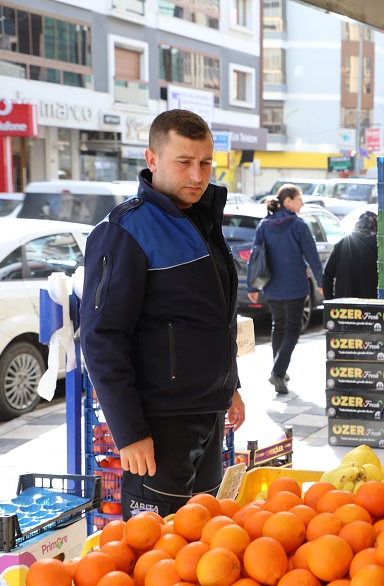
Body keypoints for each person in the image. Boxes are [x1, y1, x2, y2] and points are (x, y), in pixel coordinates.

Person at [81, 109, 245, 519]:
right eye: (184, 162)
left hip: (206, 414)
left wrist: (230, 387)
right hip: (160, 423)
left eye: (205, 163)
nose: (197, 175)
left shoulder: (202, 220)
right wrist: (130, 431)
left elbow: (211, 319)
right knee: (156, 552)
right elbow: (102, 337)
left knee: (203, 541)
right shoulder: (125, 230)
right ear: (152, 160)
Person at [247, 185, 324, 395]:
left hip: (271, 287)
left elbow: (255, 257)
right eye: (299, 199)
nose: (302, 203)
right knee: (292, 329)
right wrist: (320, 281)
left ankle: (278, 368)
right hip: (295, 287)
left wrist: (252, 285)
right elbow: (312, 256)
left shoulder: (264, 225)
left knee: (278, 326)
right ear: (288, 201)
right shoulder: (298, 226)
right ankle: (278, 372)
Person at [323, 211, 378, 299]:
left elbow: (327, 274)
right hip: (370, 303)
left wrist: (330, 299)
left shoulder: (342, 243)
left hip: (344, 304)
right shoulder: (378, 245)